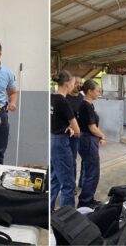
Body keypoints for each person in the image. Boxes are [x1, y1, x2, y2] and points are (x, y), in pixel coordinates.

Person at [50, 70, 80, 209]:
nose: (75, 86)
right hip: (61, 143)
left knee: (55, 178)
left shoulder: (52, 98)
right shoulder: (63, 102)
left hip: (52, 139)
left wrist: (66, 126)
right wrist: (73, 128)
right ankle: (67, 217)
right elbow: (77, 130)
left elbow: (55, 119)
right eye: (74, 83)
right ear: (67, 84)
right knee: (68, 184)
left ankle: (48, 211)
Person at [77, 80, 105, 208]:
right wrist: (102, 135)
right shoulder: (86, 106)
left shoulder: (88, 105)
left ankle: (88, 198)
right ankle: (85, 201)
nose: (99, 93)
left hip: (87, 139)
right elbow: (92, 128)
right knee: (92, 172)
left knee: (89, 170)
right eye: (97, 90)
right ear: (89, 91)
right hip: (87, 140)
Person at [65, 76, 83, 189]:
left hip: (83, 133)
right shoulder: (65, 98)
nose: (79, 85)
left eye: (80, 83)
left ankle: (82, 182)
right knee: (72, 160)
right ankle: (72, 185)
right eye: (76, 83)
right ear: (70, 84)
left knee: (86, 159)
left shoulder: (82, 97)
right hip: (71, 135)